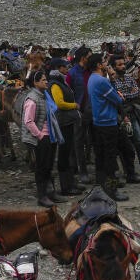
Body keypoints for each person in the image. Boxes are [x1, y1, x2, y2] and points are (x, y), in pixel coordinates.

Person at [86, 53, 132, 201]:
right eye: (104, 62)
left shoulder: (91, 79)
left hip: (98, 122)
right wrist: (115, 88)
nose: (107, 64)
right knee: (111, 158)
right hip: (108, 123)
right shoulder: (101, 81)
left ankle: (100, 187)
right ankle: (113, 190)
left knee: (100, 156)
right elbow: (118, 99)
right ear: (99, 65)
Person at [21, 71, 66, 207]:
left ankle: (50, 192)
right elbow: (28, 121)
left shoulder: (44, 96)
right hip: (41, 137)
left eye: (46, 79)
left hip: (50, 136)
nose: (46, 82)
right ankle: (42, 196)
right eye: (43, 80)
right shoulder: (32, 99)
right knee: (41, 168)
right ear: (35, 83)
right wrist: (40, 136)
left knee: (48, 166)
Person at [110, 55, 140, 178]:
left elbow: (137, 92)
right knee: (125, 145)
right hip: (119, 116)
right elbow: (118, 98)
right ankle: (128, 170)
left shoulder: (129, 78)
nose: (123, 66)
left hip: (132, 113)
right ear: (114, 67)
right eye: (119, 65)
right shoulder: (112, 82)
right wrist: (127, 95)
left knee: (139, 141)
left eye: (123, 64)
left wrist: (126, 96)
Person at [47, 57, 85, 195]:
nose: (67, 68)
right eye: (64, 66)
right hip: (63, 122)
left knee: (69, 152)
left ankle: (71, 182)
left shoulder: (59, 81)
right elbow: (59, 103)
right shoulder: (55, 84)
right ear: (58, 68)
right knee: (64, 153)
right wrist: (74, 105)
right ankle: (66, 187)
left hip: (67, 121)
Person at [66, 46, 92, 184]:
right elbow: (68, 91)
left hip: (93, 110)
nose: (91, 59)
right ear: (83, 58)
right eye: (89, 56)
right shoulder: (72, 73)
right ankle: (82, 171)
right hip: (79, 112)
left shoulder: (91, 70)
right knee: (78, 142)